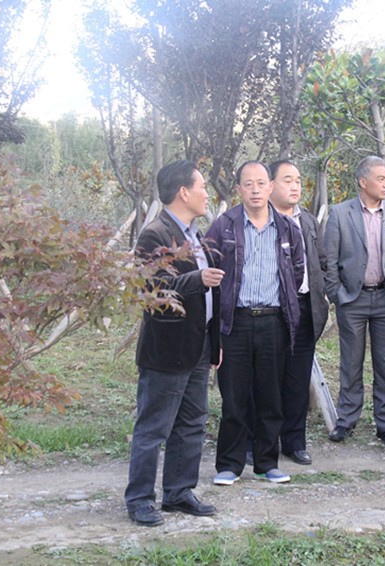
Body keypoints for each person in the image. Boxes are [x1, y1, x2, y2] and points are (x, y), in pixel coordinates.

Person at [123, 160, 223, 527]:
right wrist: (198, 278)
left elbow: (210, 295)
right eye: (202, 186)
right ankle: (139, 500)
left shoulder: (197, 234)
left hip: (199, 345)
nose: (206, 193)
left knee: (192, 423)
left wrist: (215, 341)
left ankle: (179, 492)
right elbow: (151, 290)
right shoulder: (155, 235)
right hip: (167, 349)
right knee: (153, 427)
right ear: (183, 192)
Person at [205, 160, 304, 485]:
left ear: (270, 187)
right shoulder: (225, 226)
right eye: (248, 184)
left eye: (261, 183)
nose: (256, 190)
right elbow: (209, 268)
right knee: (234, 398)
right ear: (239, 189)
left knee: (270, 397)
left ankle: (266, 463)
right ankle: (229, 466)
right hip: (235, 322)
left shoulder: (287, 228)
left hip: (273, 322)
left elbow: (296, 272)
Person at [325, 156, 385, 451]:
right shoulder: (340, 213)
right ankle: (346, 420)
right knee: (350, 362)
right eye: (381, 178)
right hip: (352, 299)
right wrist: (337, 294)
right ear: (363, 181)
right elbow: (329, 260)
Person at [268, 159, 328, 465]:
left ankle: (294, 442)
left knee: (297, 378)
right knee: (267, 377)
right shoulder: (261, 220)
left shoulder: (308, 221)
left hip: (305, 307)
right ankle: (263, 442)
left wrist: (323, 293)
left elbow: (321, 261)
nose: (295, 186)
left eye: (298, 181)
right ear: (270, 185)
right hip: (271, 309)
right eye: (287, 180)